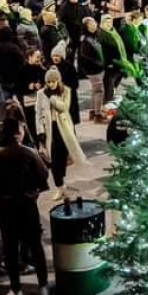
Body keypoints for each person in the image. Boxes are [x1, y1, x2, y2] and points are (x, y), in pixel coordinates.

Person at [0, 118, 51, 295]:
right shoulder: (27, 153)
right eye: (21, 129)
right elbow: (43, 174)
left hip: (5, 209)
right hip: (27, 205)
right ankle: (43, 286)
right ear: (16, 133)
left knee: (10, 248)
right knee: (35, 245)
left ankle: (16, 290)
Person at [35, 67, 89, 200]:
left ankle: (61, 180)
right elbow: (38, 113)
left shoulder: (66, 90)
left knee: (62, 157)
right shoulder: (41, 93)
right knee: (53, 161)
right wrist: (40, 131)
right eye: (48, 82)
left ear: (58, 80)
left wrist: (52, 98)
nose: (51, 84)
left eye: (53, 81)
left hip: (63, 128)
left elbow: (64, 108)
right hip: (49, 130)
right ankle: (59, 187)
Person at [79, 17, 107, 122]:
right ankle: (98, 115)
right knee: (99, 91)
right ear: (86, 27)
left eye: (94, 23)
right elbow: (85, 56)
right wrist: (98, 64)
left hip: (97, 68)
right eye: (91, 24)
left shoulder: (94, 36)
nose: (94, 25)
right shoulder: (86, 40)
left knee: (95, 90)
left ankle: (93, 112)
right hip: (93, 70)